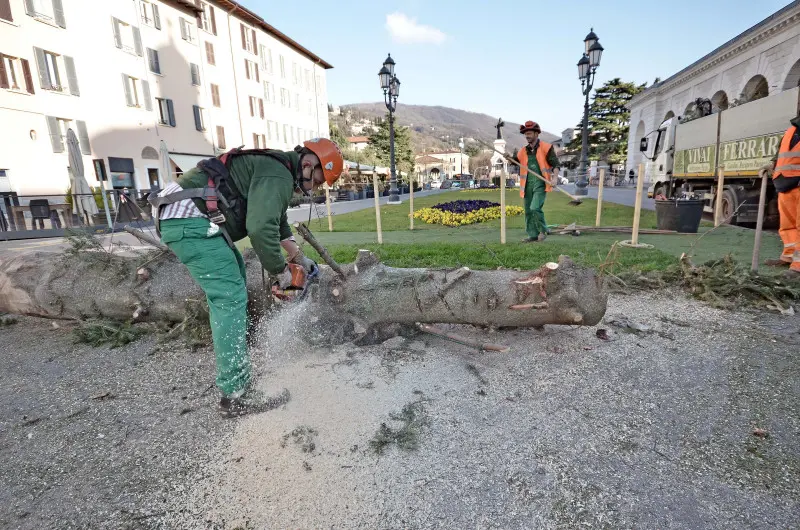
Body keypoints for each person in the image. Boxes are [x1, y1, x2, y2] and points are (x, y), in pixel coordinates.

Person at [149, 138, 345, 417]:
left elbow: (276, 219)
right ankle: (236, 395)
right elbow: (259, 227)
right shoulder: (277, 172)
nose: (314, 188)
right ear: (308, 164)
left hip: (192, 218)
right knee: (229, 298)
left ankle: (238, 372)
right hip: (189, 220)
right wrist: (281, 271)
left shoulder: (276, 168)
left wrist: (298, 257)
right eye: (317, 180)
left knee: (234, 283)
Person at [510, 121, 560, 242]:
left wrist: (554, 178)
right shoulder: (523, 151)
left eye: (529, 133)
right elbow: (514, 161)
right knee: (528, 211)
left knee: (535, 208)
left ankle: (543, 231)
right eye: (526, 134)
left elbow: (555, 164)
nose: (527, 136)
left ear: (536, 134)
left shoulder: (546, 148)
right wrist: (509, 157)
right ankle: (532, 235)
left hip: (541, 182)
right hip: (527, 184)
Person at [764, 115, 800, 273]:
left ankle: (798, 266)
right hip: (785, 184)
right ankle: (788, 256)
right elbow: (781, 153)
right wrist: (771, 163)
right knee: (787, 225)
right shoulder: (791, 130)